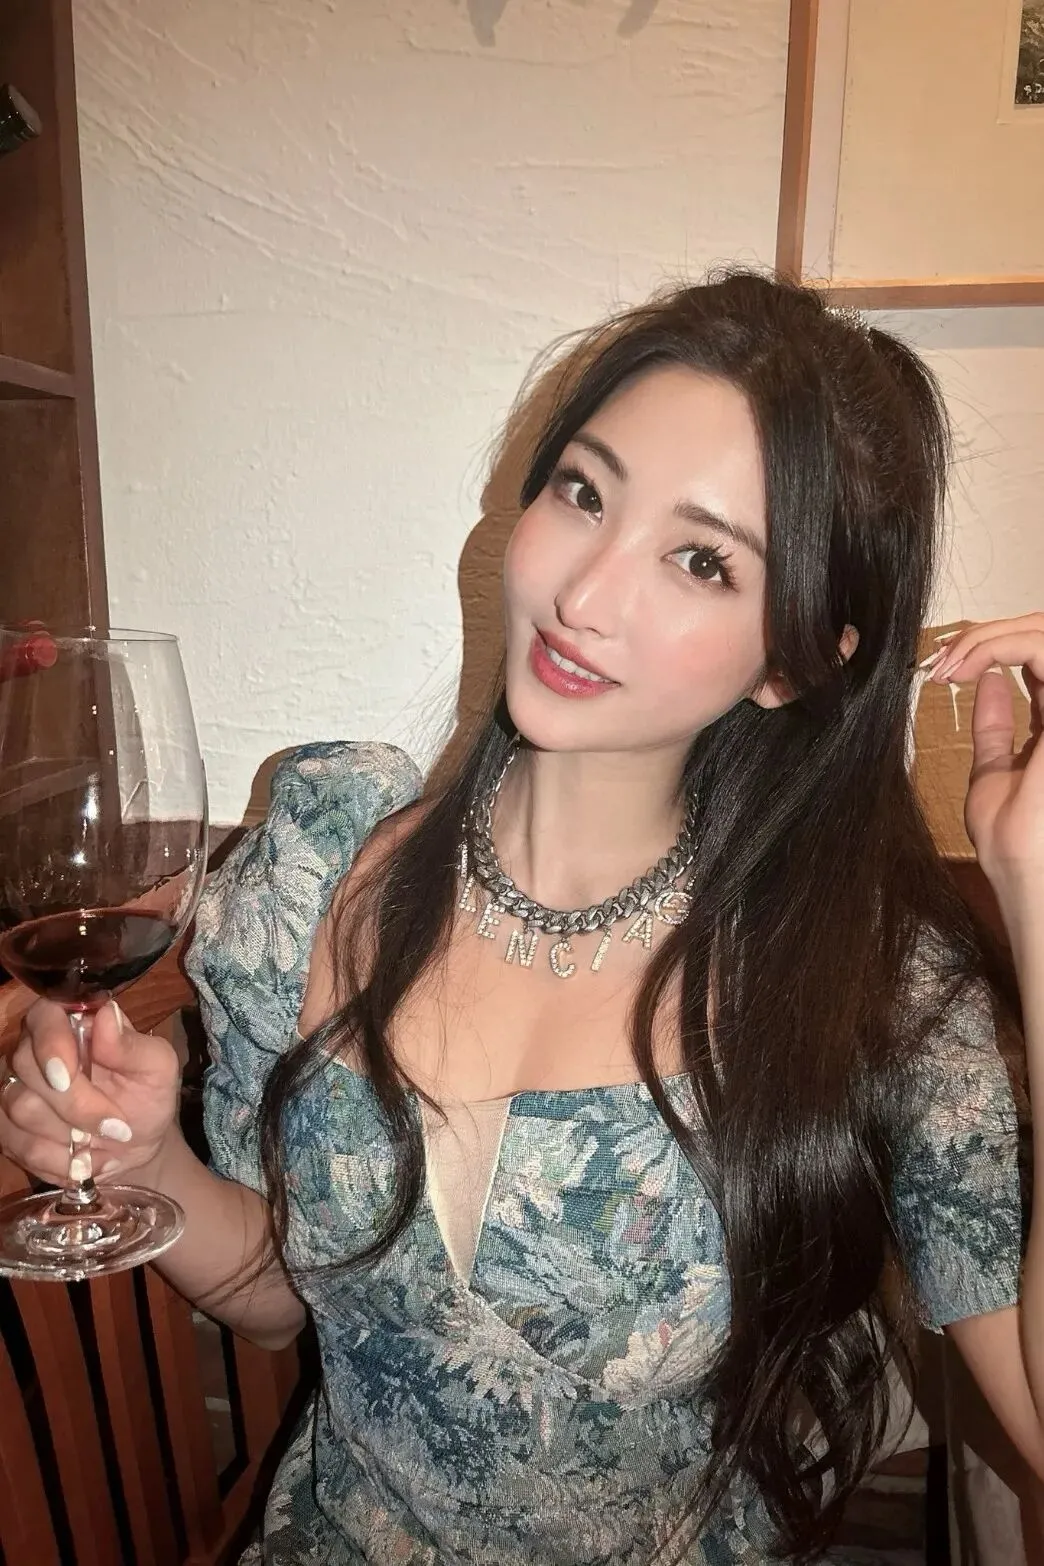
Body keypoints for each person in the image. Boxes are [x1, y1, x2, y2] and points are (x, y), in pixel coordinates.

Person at [1, 269, 1043, 1566]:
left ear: (793, 661)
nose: (586, 591)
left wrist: (1036, 894)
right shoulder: (323, 860)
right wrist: (150, 1163)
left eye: (701, 559)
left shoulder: (868, 972)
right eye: (586, 492)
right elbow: (277, 1305)